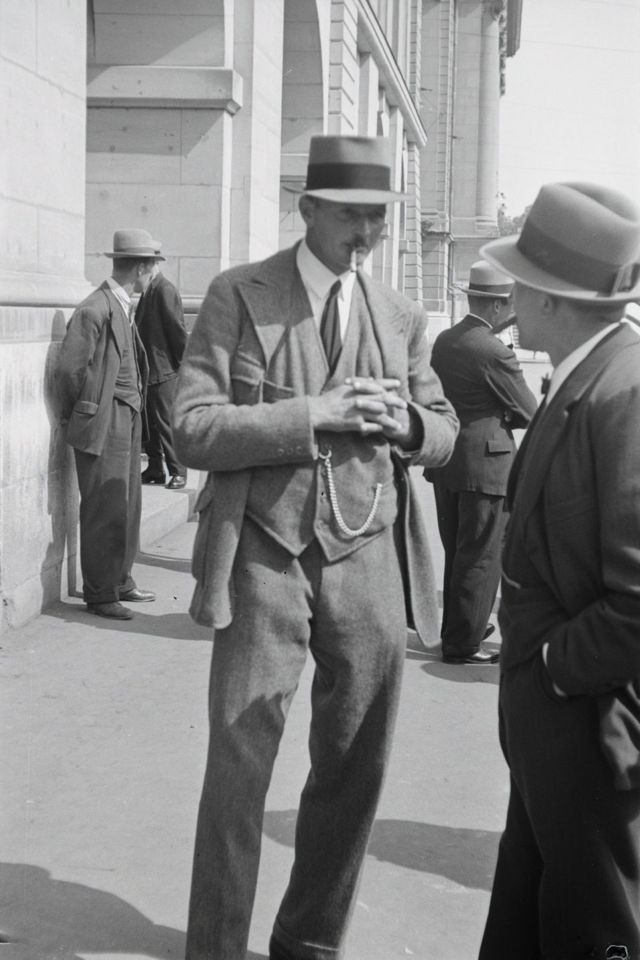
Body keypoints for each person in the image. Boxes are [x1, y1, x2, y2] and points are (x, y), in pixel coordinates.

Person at [172, 135, 458, 960]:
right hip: (264, 555)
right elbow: (192, 427)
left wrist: (407, 423)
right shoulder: (238, 294)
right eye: (350, 216)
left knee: (355, 765)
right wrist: (314, 414)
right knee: (239, 763)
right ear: (307, 209)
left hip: (369, 558)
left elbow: (444, 432)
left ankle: (309, 943)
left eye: (377, 218)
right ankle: (216, 947)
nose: (366, 234)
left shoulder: (400, 315)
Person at [476, 182, 640, 959]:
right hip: (556, 721)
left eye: (519, 280)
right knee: (533, 915)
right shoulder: (593, 370)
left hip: (585, 717)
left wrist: (551, 669)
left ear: (549, 296)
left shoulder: (624, 391)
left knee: (589, 929)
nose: (509, 298)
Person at [426, 261, 537, 665]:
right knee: (481, 556)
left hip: (447, 459)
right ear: (496, 306)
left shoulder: (446, 340)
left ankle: (459, 628)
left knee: (457, 551)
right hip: (487, 467)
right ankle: (463, 644)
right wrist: (503, 414)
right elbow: (529, 411)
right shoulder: (494, 351)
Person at [57, 228, 160, 621]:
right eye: (152, 267)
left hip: (127, 416)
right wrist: (84, 410)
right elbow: (70, 370)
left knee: (127, 500)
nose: (153, 276)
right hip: (105, 418)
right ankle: (100, 593)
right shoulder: (95, 308)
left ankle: (120, 580)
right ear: (141, 268)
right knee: (105, 504)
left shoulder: (120, 304)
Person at [135, 259, 188, 489]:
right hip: (151, 368)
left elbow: (177, 330)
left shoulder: (164, 289)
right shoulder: (150, 289)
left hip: (164, 369)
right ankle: (155, 468)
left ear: (150, 266)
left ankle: (178, 471)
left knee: (166, 423)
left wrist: (183, 363)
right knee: (150, 423)